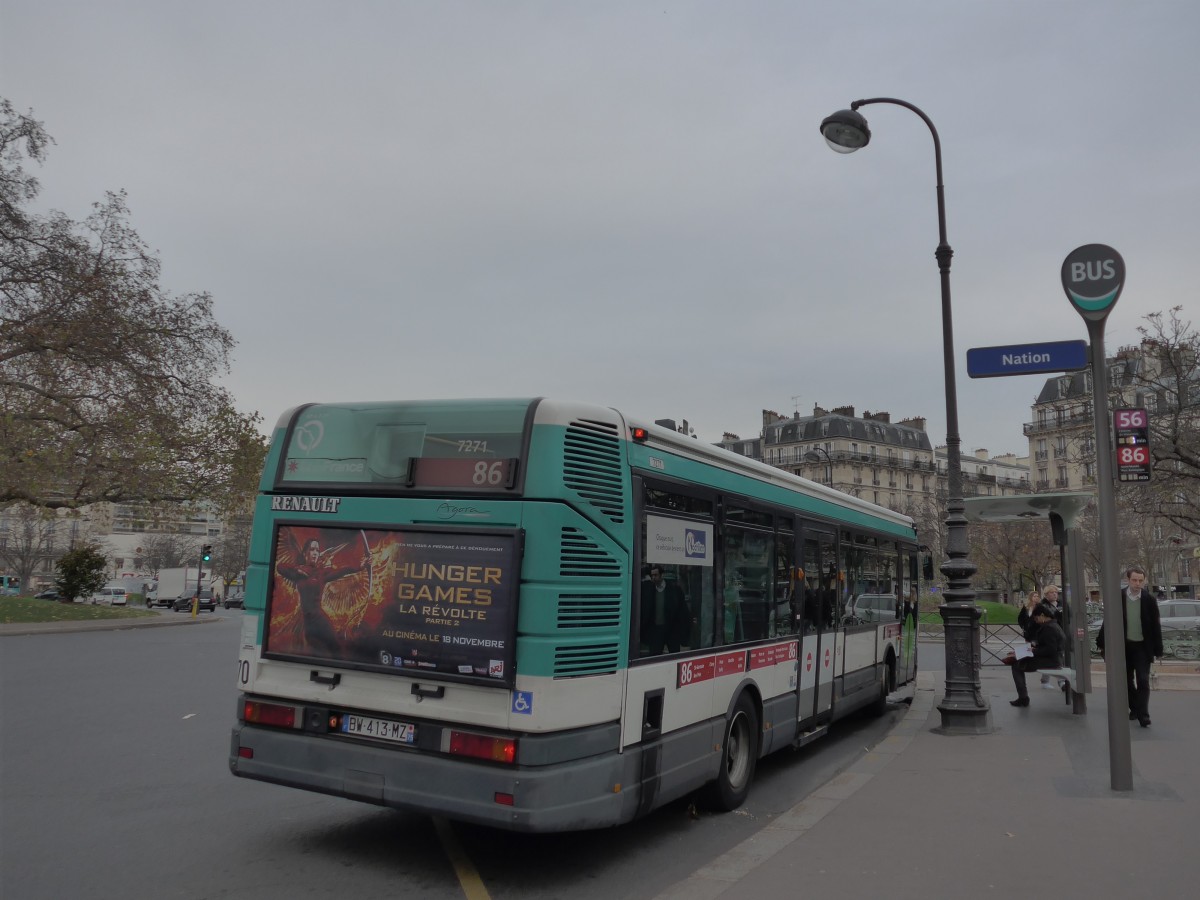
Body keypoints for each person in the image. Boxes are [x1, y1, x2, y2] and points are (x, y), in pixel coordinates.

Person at [1096, 565, 1163, 727]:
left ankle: (1143, 715)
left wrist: (1158, 649)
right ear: (1128, 580)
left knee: (1143, 680)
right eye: (1134, 580)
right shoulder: (1118, 597)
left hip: (1142, 647)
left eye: (1140, 580)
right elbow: (1109, 622)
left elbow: (1155, 625)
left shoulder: (1149, 600)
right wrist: (1102, 643)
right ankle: (1135, 708)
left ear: (1144, 581)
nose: (1137, 583)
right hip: (1123, 647)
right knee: (1125, 681)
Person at [276, 537, 366, 656]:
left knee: (335, 650)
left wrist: (361, 566)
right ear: (305, 552)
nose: (315, 553)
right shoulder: (298, 572)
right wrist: (297, 571)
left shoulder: (322, 573)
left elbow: (343, 571)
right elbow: (280, 567)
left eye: (317, 550)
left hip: (320, 621)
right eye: (312, 549)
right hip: (307, 624)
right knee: (314, 652)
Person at [1010, 603, 1066, 707]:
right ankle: (1023, 697)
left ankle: (1023, 697)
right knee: (1018, 662)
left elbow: (1050, 649)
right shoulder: (1053, 625)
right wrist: (1031, 649)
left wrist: (1032, 651)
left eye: (1036, 619)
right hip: (1053, 659)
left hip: (1050, 661)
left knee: (1016, 665)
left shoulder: (1049, 628)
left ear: (1042, 615)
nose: (1036, 621)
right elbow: (1048, 647)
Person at [641, 565, 691, 654]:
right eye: (652, 575)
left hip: (671, 630)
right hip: (656, 631)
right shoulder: (649, 589)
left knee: (674, 654)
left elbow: (682, 611)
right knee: (654, 656)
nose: (653, 578)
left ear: (661, 575)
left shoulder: (674, 589)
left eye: (656, 575)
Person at [1037, 585, 1065, 688]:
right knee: (1054, 657)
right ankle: (1061, 681)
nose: (1055, 594)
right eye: (1052, 592)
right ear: (1046, 594)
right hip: (1048, 634)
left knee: (1056, 657)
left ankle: (1046, 681)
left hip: (1060, 633)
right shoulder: (1042, 606)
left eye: (1056, 592)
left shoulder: (1062, 604)